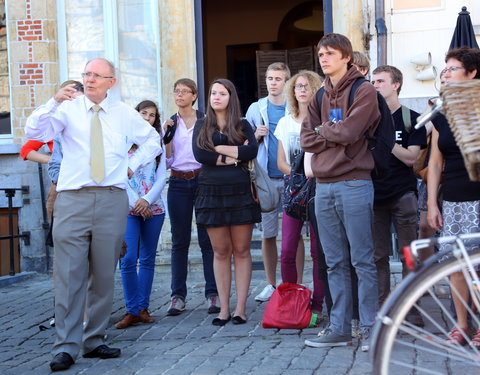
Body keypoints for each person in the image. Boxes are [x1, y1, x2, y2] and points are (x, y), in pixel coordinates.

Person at [25, 58, 161, 372]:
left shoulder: (124, 113)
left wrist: (132, 164)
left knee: (103, 273)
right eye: (87, 74)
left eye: (97, 76)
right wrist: (53, 101)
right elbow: (34, 130)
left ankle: (94, 339)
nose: (89, 80)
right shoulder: (67, 109)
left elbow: (153, 140)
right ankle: (65, 346)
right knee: (69, 275)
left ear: (111, 81)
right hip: (72, 199)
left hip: (112, 198)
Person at [300, 33, 380, 351]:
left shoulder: (365, 90)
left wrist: (326, 131)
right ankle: (340, 327)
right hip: (323, 186)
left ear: (347, 57)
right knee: (334, 262)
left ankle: (372, 329)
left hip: (355, 183)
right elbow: (306, 139)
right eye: (320, 53)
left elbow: (350, 131)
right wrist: (331, 132)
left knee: (362, 260)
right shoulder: (320, 95)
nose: (323, 58)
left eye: (330, 53)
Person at [192, 78, 260, 325]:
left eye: (222, 93)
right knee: (220, 252)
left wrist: (218, 149)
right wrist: (234, 155)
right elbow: (200, 154)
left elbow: (251, 151)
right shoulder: (201, 124)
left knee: (241, 251)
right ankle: (224, 308)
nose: (216, 97)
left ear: (231, 97)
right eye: (213, 93)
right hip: (211, 193)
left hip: (240, 193)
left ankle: (241, 308)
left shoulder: (242, 124)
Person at [427, 47, 480, 345]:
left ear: (472, 74)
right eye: (444, 69)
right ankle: (462, 325)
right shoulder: (440, 114)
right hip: (455, 200)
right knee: (456, 265)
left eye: (452, 68)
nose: (445, 74)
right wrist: (432, 203)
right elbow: (435, 163)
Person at [371, 65, 427, 325]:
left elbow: (411, 158)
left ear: (396, 85)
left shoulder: (411, 118)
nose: (375, 85)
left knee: (407, 253)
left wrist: (385, 140)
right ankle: (383, 307)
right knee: (378, 256)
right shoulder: (368, 118)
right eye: (373, 81)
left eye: (380, 81)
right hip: (372, 194)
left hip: (403, 193)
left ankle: (409, 307)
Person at [163, 78, 219, 316]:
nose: (179, 95)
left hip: (202, 180)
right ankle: (177, 296)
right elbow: (166, 161)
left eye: (185, 91)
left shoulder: (206, 121)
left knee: (208, 239)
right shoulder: (169, 123)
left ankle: (213, 294)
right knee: (179, 241)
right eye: (176, 91)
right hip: (177, 181)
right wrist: (165, 138)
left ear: (194, 96)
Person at [246, 62, 301, 302]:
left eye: (278, 79)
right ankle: (270, 283)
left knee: (295, 234)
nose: (273, 82)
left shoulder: (296, 107)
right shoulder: (256, 109)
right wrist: (254, 136)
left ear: (286, 82)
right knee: (268, 234)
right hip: (265, 180)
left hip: (292, 178)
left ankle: (297, 283)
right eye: (270, 78)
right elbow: (243, 144)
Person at [273, 70, 325, 316]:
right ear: (292, 91)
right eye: (298, 86)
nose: (302, 90)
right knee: (287, 251)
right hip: (293, 190)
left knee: (318, 251)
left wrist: (310, 174)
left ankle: (317, 304)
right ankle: (290, 301)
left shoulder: (322, 121)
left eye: (307, 86)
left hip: (318, 190)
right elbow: (280, 162)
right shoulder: (285, 122)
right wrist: (300, 175)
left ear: (315, 90)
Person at [115, 100, 167, 329]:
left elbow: (162, 176)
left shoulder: (158, 144)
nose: (147, 118)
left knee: (147, 258)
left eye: (152, 115)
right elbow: (118, 176)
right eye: (143, 114)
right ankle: (132, 309)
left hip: (153, 208)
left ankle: (142, 309)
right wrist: (136, 201)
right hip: (127, 207)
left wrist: (146, 201)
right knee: (127, 259)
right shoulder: (123, 143)